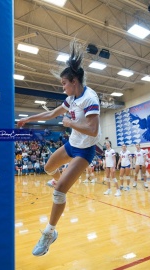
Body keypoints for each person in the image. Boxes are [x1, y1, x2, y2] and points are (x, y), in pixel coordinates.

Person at [17, 40, 101, 256]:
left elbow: (92, 130)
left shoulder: (90, 99)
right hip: (71, 145)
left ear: (74, 81)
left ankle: (49, 233)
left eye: (64, 83)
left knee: (59, 192)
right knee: (47, 167)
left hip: (84, 151)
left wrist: (70, 123)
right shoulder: (71, 98)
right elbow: (51, 114)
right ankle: (57, 178)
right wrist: (29, 118)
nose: (62, 87)